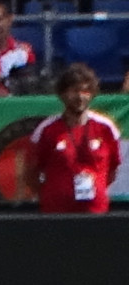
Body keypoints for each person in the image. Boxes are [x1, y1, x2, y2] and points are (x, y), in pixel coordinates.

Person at [30, 61, 117, 213]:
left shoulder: (105, 128)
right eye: (74, 91)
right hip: (56, 213)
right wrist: (54, 193)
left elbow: (112, 171)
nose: (80, 97)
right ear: (63, 94)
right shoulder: (47, 130)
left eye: (85, 91)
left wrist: (97, 187)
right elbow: (31, 172)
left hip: (96, 212)